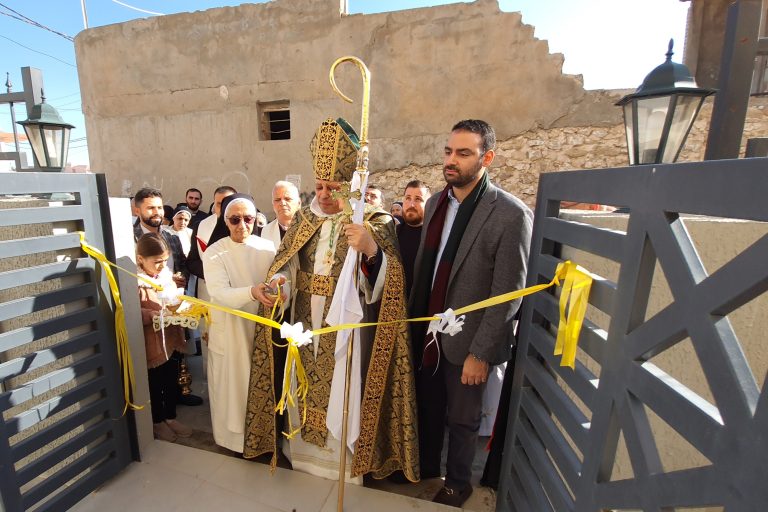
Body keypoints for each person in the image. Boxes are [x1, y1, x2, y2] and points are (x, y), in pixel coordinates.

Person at [244, 117, 419, 482]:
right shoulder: (304, 219)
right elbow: (289, 267)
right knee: (301, 387)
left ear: (351, 185)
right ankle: (304, 454)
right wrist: (279, 283)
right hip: (304, 324)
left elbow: (395, 282)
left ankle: (346, 461)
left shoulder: (375, 220)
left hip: (347, 329)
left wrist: (371, 248)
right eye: (319, 186)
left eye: (333, 187)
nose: (323, 195)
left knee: (342, 388)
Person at [409, 119, 532, 507]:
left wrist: (480, 353)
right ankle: (427, 467)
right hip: (428, 328)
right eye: (448, 151)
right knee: (428, 406)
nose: (451, 160)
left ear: (487, 157)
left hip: (469, 341)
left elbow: (508, 295)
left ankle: (458, 483)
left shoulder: (510, 214)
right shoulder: (435, 203)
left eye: (463, 153)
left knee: (463, 421)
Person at [202, 194, 276, 453]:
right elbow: (219, 292)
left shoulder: (267, 248)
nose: (242, 225)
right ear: (225, 221)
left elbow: (280, 275)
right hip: (231, 329)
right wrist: (251, 293)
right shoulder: (214, 252)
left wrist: (280, 284)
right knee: (232, 390)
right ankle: (233, 444)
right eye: (235, 219)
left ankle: (262, 439)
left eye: (248, 219)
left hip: (260, 330)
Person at [132, 187, 203, 408]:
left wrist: (179, 278)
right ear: (137, 209)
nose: (157, 212)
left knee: (175, 357)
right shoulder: (126, 236)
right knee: (155, 370)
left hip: (171, 309)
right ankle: (158, 412)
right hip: (147, 313)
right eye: (150, 207)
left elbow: (182, 263)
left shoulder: (171, 235)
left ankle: (178, 394)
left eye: (160, 207)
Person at [136, 233, 193, 442]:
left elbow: (173, 299)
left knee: (171, 379)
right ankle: (157, 421)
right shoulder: (135, 281)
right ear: (141, 259)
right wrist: (150, 315)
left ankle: (171, 416)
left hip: (171, 337)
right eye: (156, 262)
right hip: (152, 342)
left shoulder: (166, 275)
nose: (161, 265)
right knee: (155, 382)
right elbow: (131, 311)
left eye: (164, 260)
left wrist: (181, 305)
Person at [185, 186, 237, 358]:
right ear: (213, 205)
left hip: (237, 292)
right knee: (211, 342)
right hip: (208, 292)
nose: (222, 207)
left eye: (228, 202)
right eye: (219, 203)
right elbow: (192, 261)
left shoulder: (244, 224)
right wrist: (212, 275)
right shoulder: (201, 226)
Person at [397, 181, 431, 296]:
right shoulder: (392, 233)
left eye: (418, 199)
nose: (411, 204)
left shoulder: (434, 236)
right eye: (408, 198)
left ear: (429, 204)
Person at [261, 180, 301, 249]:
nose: (282, 203)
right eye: (277, 200)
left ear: (299, 203)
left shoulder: (309, 228)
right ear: (273, 204)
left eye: (287, 199)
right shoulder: (266, 231)